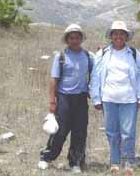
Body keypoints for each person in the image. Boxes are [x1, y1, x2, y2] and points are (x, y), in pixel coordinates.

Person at [89, 20, 140, 176]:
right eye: (115, 33)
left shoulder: (134, 54)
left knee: (128, 132)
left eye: (122, 34)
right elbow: (95, 76)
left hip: (129, 99)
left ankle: (128, 162)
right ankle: (115, 162)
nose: (118, 36)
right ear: (111, 36)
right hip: (108, 98)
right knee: (111, 132)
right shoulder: (102, 53)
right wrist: (96, 98)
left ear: (126, 36)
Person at [38, 24, 94, 174]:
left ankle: (75, 162)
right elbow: (54, 80)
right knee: (60, 131)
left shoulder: (88, 56)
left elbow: (96, 75)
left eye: (77, 37)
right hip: (64, 98)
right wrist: (52, 102)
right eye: (71, 37)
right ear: (67, 39)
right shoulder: (61, 56)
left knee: (80, 131)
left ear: (81, 39)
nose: (74, 40)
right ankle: (46, 157)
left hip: (81, 99)